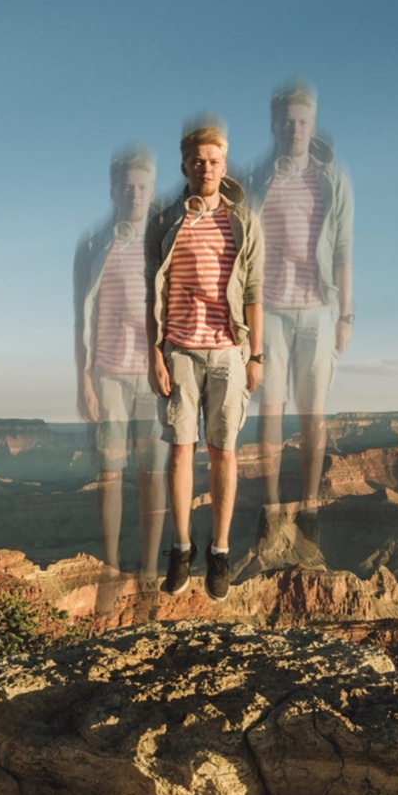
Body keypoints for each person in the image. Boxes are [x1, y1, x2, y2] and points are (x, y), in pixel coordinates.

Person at [148, 117, 263, 599]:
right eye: (198, 160)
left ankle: (219, 551)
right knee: (180, 450)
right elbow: (151, 289)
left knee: (223, 451)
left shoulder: (242, 220)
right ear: (185, 166)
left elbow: (255, 292)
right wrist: (153, 352)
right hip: (178, 350)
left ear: (224, 164)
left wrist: (258, 354)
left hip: (229, 352)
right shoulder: (165, 221)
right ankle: (180, 548)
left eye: (215, 160)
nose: (206, 167)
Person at [244, 80, 352, 534]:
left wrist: (346, 315)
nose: (295, 128)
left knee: (313, 412)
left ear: (312, 124)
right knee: (271, 408)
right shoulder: (256, 180)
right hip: (268, 310)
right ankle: (271, 509)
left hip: (316, 311)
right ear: (274, 124)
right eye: (287, 121)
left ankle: (308, 506)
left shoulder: (332, 180)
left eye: (303, 120)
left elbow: (343, 249)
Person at [73, 145, 168, 590]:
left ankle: (149, 567)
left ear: (152, 190)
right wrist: (83, 380)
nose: (135, 194)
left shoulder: (164, 240)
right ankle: (111, 566)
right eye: (127, 187)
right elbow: (81, 315)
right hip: (108, 375)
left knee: (152, 476)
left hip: (154, 378)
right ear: (113, 189)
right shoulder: (94, 245)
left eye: (143, 187)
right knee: (110, 475)